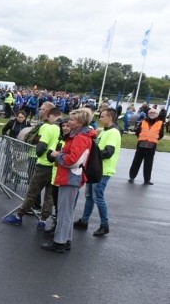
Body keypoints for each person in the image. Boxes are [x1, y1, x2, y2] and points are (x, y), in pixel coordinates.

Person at [42, 107, 96, 253]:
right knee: (67, 212)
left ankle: (59, 242)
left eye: (72, 119)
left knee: (64, 213)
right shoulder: (80, 136)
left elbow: (73, 160)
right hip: (71, 177)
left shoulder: (80, 138)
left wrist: (56, 155)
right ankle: (66, 240)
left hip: (70, 177)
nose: (69, 122)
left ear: (80, 122)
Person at [1, 102, 61, 229]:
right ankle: (43, 221)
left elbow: (40, 148)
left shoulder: (47, 127)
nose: (39, 111)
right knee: (49, 196)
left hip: (43, 164)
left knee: (32, 192)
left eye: (42, 109)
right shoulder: (60, 127)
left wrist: (37, 143)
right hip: (55, 166)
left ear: (48, 112)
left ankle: (18, 216)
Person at [74, 108, 121, 236]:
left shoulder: (113, 133)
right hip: (95, 169)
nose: (100, 118)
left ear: (110, 118)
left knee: (98, 197)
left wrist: (92, 154)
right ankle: (84, 220)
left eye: (102, 116)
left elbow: (108, 152)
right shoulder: (104, 131)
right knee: (89, 196)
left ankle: (104, 225)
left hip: (103, 171)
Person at [128, 107, 163, 185]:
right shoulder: (143, 121)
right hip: (141, 145)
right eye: (150, 113)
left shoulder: (160, 123)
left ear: (157, 114)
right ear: (148, 114)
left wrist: (153, 139)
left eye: (154, 113)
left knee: (148, 164)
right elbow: (138, 132)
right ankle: (132, 177)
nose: (152, 114)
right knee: (136, 162)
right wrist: (142, 138)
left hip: (151, 146)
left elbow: (161, 134)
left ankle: (147, 180)